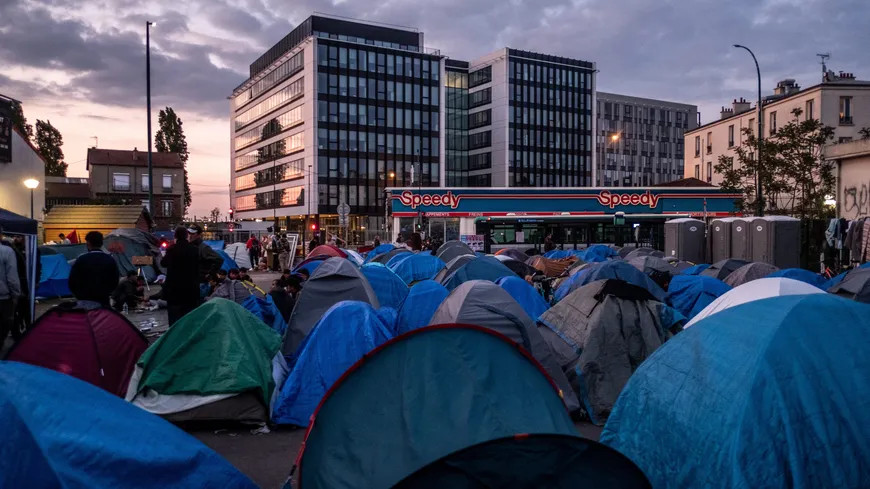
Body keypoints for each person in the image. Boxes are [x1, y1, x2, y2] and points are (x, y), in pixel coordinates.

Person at [161, 226, 201, 325]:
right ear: (186, 235)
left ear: (175, 236)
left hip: (174, 289)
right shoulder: (194, 249)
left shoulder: (172, 250)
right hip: (190, 289)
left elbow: (163, 263)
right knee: (189, 318)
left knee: (174, 319)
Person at [68, 231, 118, 307]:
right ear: (101, 243)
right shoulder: (110, 260)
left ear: (88, 243)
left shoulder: (81, 259)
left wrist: (79, 295)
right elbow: (115, 281)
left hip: (84, 301)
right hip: (103, 301)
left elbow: (72, 281)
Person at [188, 224, 224, 298]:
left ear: (198, 235)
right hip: (192, 281)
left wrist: (210, 273)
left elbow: (219, 259)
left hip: (201, 282)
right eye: (189, 233)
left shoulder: (203, 248)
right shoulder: (190, 246)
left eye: (193, 233)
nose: (190, 235)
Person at [0, 225, 22, 343]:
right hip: (4, 298)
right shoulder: (7, 251)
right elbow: (12, 277)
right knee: (4, 325)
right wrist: (16, 294)